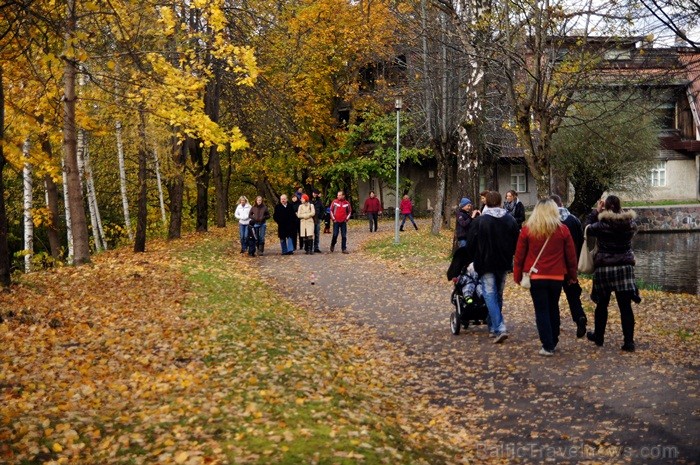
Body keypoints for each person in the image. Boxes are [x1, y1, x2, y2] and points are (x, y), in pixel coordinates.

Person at [513, 199, 579, 356]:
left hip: (536, 276)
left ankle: (547, 344)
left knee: (541, 310)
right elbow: (571, 256)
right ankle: (553, 338)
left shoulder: (528, 230)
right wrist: (572, 275)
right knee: (553, 307)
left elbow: (519, 256)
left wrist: (517, 276)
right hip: (557, 276)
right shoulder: (563, 230)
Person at [584, 195, 640, 352]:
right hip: (624, 268)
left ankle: (599, 337)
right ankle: (628, 342)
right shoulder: (629, 223)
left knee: (602, 305)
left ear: (606, 207)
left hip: (605, 268)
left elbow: (587, 228)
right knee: (625, 306)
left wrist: (596, 211)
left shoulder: (602, 224)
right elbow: (633, 228)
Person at [463, 191, 519, 343]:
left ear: (486, 202)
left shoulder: (481, 221)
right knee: (498, 294)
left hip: (485, 262)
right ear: (500, 202)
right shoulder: (510, 219)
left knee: (489, 294)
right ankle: (494, 327)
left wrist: (472, 258)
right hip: (503, 262)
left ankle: (499, 327)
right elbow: (516, 241)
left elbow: (471, 243)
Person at [551, 194, 587, 337]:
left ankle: (555, 325)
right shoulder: (574, 220)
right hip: (570, 263)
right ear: (561, 203)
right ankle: (579, 317)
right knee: (572, 294)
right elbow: (579, 241)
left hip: (554, 265)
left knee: (553, 298)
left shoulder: (550, 222)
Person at [311, 189, 325, 253]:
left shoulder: (319, 201)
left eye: (315, 193)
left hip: (317, 219)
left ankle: (316, 247)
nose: (314, 194)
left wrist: (320, 217)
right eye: (313, 193)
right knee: (310, 234)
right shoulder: (310, 201)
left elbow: (322, 209)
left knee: (317, 234)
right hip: (310, 219)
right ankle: (310, 247)